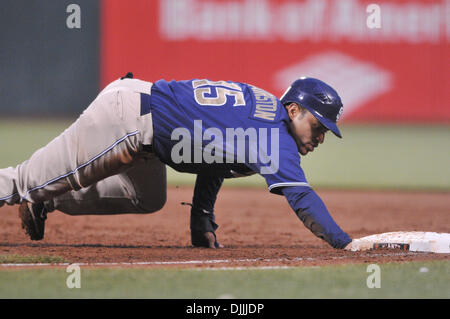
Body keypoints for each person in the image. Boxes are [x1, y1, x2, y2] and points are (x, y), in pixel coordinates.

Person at [0, 73, 353, 250]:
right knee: (24, 182)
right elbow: (302, 198)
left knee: (148, 198)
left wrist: (201, 219)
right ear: (294, 109)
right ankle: (36, 193)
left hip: (145, 130)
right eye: (318, 126)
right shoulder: (275, 136)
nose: (320, 137)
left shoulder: (266, 115)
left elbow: (215, 160)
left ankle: (48, 201)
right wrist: (344, 242)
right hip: (129, 119)